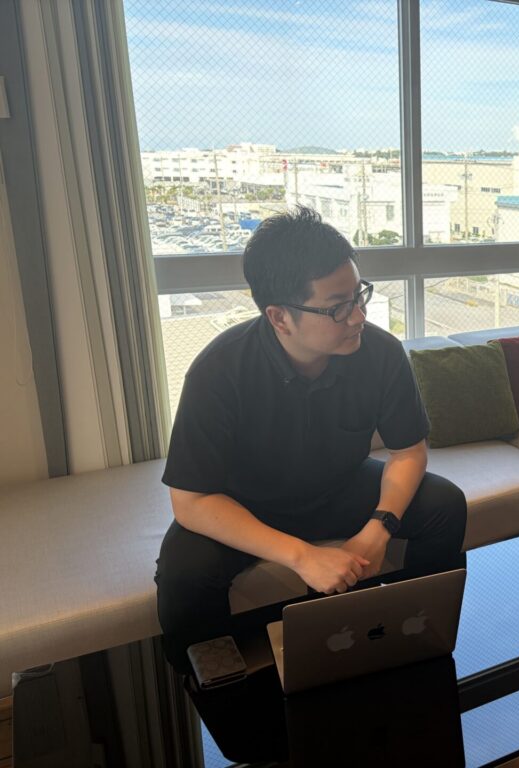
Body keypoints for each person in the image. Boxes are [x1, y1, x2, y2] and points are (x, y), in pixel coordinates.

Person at [155, 207, 467, 669]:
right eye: (337, 306)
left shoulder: (380, 352)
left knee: (444, 505)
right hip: (246, 504)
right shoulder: (219, 370)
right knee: (184, 575)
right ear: (280, 317)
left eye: (359, 295)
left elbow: (408, 452)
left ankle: (414, 642)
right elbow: (191, 501)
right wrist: (302, 556)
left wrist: (378, 528)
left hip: (339, 487)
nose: (358, 316)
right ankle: (220, 692)